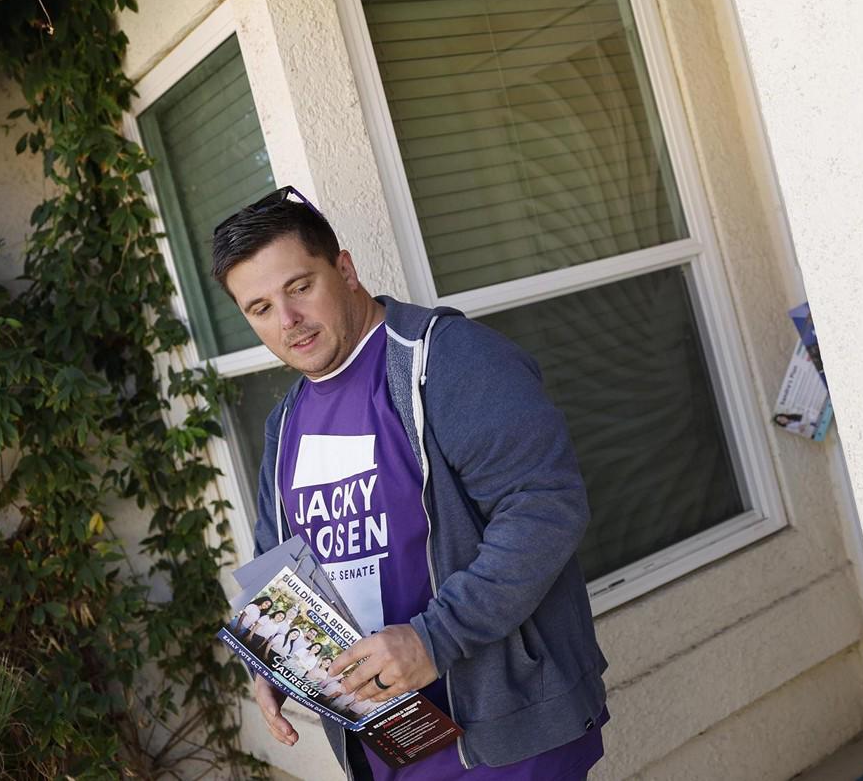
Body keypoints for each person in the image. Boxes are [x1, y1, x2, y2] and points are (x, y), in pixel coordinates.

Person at [211, 188, 608, 779]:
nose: (287, 321)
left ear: (344, 269)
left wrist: (433, 638)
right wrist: (268, 659)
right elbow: (281, 566)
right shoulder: (285, 421)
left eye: (299, 287)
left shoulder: (447, 361)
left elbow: (544, 509)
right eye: (260, 308)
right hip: (385, 744)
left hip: (504, 739)